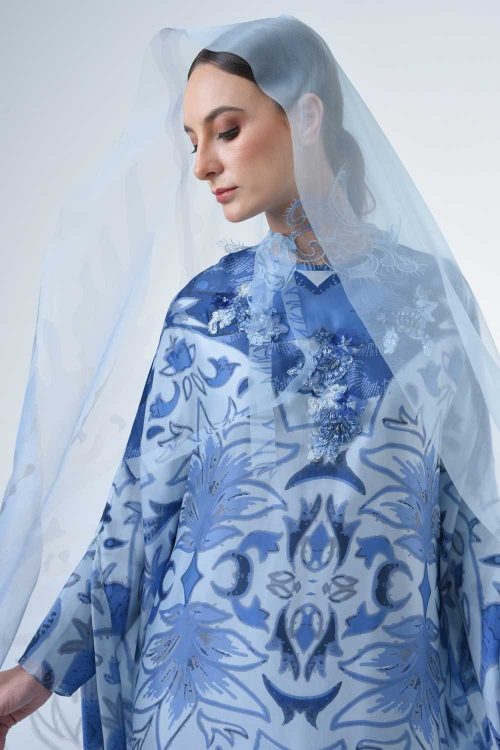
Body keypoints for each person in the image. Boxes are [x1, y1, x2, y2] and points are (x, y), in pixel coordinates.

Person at [0, 14, 499, 750]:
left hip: (383, 718)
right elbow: (136, 522)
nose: (203, 165)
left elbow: (476, 534)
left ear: (306, 115)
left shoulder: (430, 305)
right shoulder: (205, 314)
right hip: (201, 716)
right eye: (193, 142)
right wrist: (36, 673)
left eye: (226, 131)